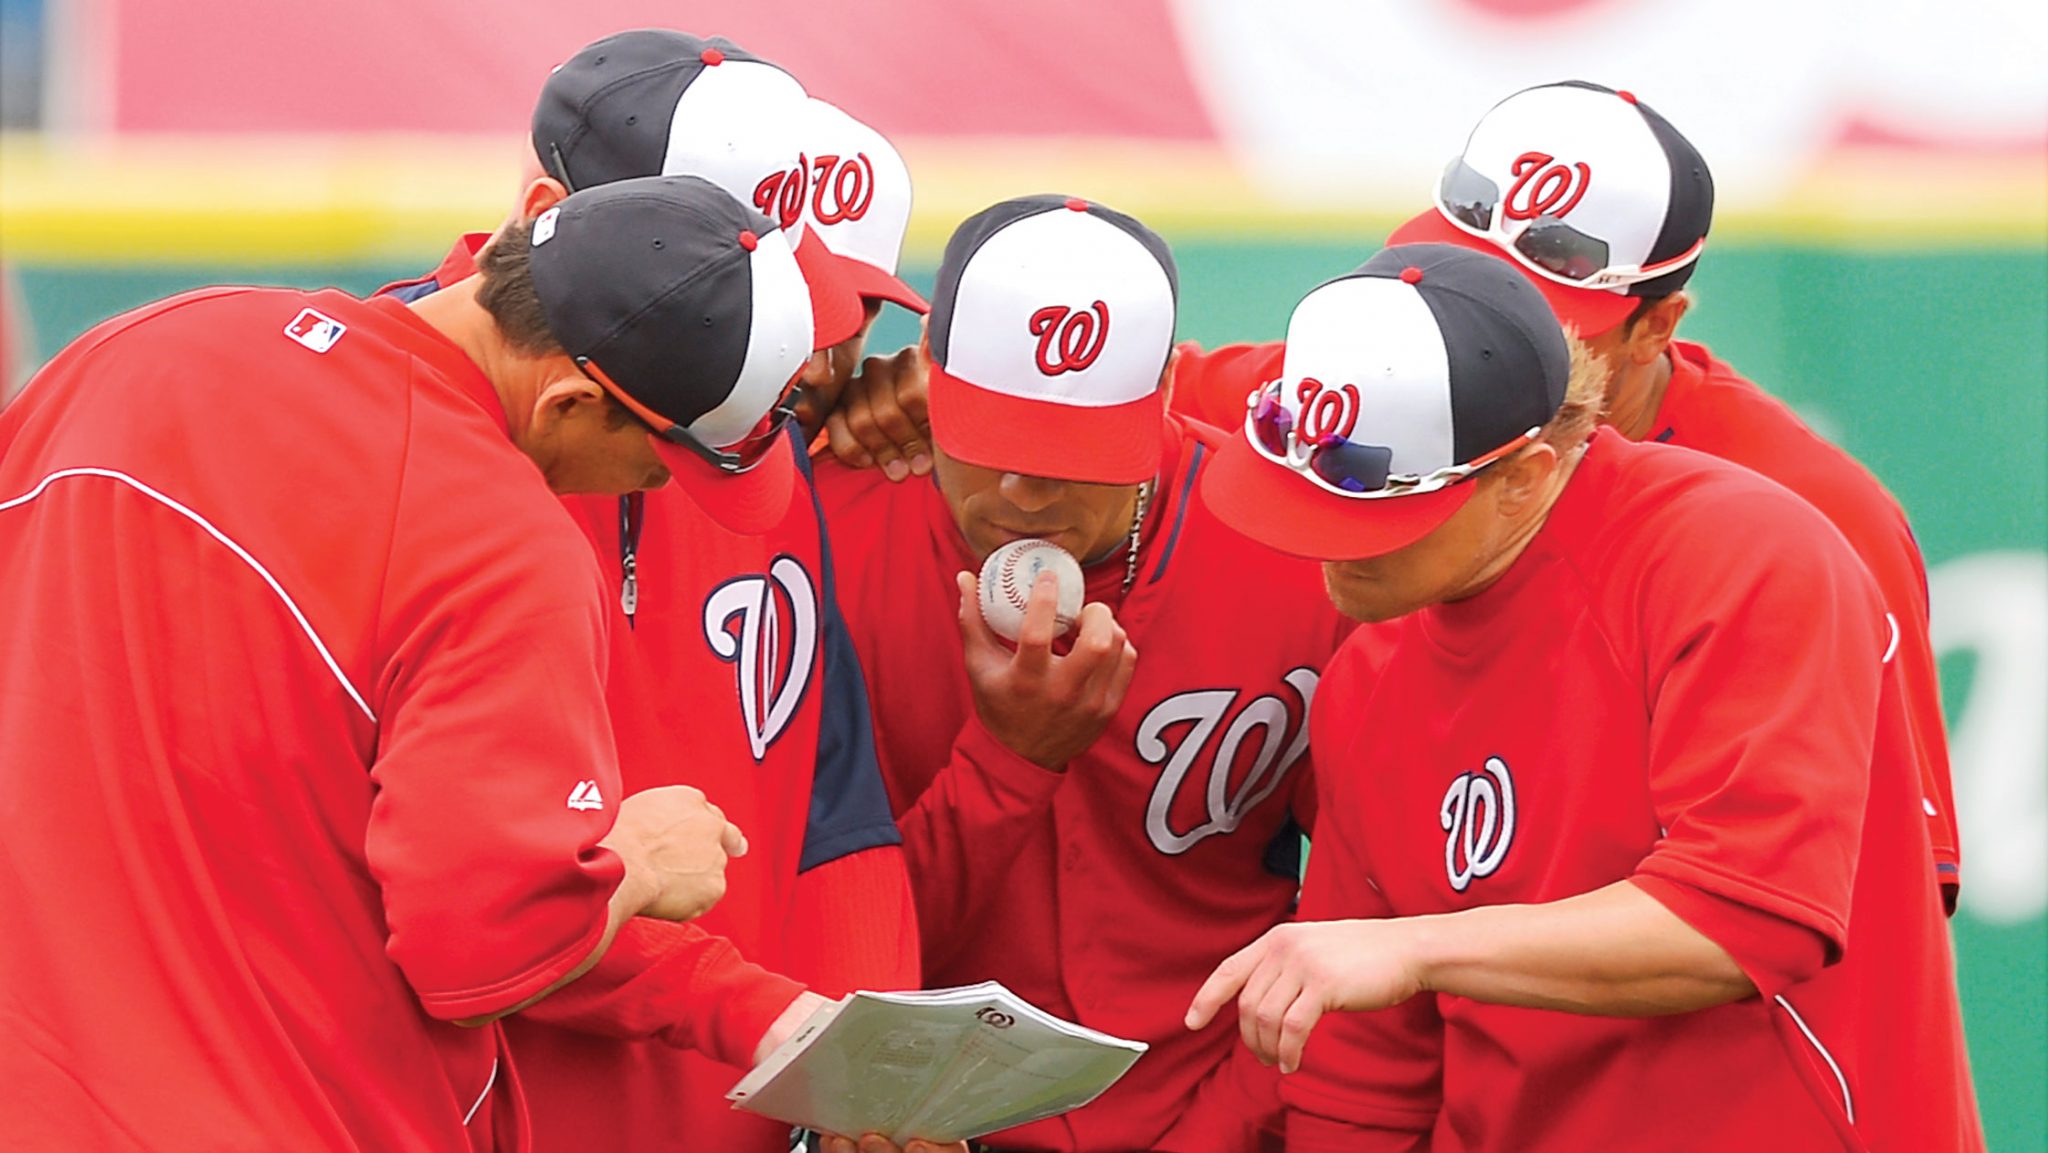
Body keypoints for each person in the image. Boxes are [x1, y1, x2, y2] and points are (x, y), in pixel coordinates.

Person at [0, 175, 809, 1151]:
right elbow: (478, 951)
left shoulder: (147, 343)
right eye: (656, 465)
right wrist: (630, 861)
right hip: (287, 1115)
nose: (659, 495)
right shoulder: (504, 545)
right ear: (569, 403)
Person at [1185, 242, 1982, 1151]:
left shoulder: (1739, 552)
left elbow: (1746, 918)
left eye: (1373, 504)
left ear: (1526, 475)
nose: (1327, 546)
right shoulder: (1371, 669)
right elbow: (1363, 1082)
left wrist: (1419, 948)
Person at [1165, 80, 1964, 910]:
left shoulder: (1808, 512)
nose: (1479, 333)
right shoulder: (1365, 397)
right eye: (1457, 282)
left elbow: (1891, 887)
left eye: (1541, 318)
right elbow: (1111, 403)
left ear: (1657, 325)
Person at [383, 31, 941, 1153]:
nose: (795, 332)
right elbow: (466, 893)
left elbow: (829, 796)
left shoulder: (764, 429)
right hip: (485, 1103)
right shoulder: (393, 425)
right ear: (555, 207)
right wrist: (773, 1019)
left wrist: (869, 1074)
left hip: (742, 1088)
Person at [815, 195, 1357, 1152]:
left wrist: (1225, 1134)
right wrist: (1010, 764)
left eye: (1074, 452)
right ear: (928, 386)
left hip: (1229, 1112)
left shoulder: (1297, 557)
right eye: (992, 443)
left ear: (1158, 404)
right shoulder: (824, 540)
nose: (1027, 492)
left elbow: (1371, 921)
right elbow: (826, 943)